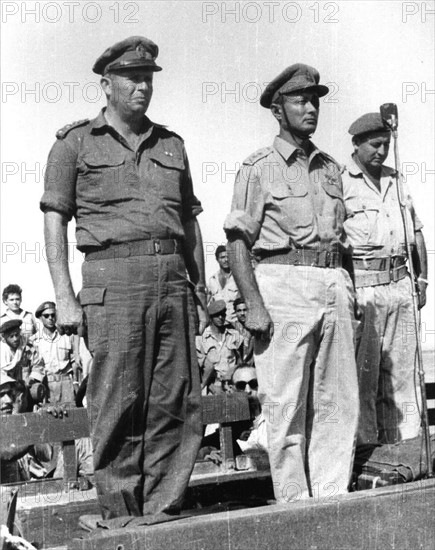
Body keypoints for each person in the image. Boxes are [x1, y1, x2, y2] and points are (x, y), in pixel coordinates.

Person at [41, 36, 206, 520]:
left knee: (175, 400)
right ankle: (120, 515)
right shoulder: (74, 144)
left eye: (148, 78)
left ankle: (161, 512)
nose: (143, 87)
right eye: (132, 78)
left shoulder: (171, 144)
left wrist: (196, 286)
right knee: (117, 400)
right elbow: (55, 218)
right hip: (113, 280)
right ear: (106, 84)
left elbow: (189, 220)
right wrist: (64, 297)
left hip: (173, 278)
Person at [224, 63, 359, 503]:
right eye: (301, 100)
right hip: (282, 283)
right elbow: (239, 240)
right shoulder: (258, 167)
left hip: (332, 282)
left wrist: (349, 292)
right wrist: (254, 304)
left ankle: (331, 500)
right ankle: (295, 507)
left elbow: (344, 242)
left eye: (315, 99)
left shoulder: (330, 168)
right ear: (278, 110)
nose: (311, 107)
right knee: (285, 404)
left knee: (337, 401)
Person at [342, 112, 428, 445]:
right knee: (365, 379)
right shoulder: (340, 181)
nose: (382, 151)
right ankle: (367, 454)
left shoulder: (396, 179)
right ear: (357, 143)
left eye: (387, 145)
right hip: (364, 286)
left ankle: (407, 454)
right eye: (375, 145)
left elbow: (416, 232)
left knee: (403, 375)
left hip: (401, 284)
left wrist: (422, 281)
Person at [31, 301, 78, 404]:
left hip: (66, 382)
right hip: (47, 384)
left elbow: (74, 362)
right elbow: (36, 367)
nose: (50, 318)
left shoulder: (67, 336)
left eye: (53, 315)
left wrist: (76, 383)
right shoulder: (35, 340)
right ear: (40, 317)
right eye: (46, 316)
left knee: (71, 414)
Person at [197, 300, 243, 394]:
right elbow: (200, 369)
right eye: (217, 315)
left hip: (232, 385)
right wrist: (207, 385)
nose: (221, 317)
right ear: (210, 317)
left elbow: (240, 361)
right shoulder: (202, 339)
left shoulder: (234, 335)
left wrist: (233, 371)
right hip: (213, 386)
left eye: (223, 314)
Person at [208, 245, 239, 324]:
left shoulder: (238, 278)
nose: (226, 260)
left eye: (228, 257)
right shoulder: (212, 280)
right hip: (219, 324)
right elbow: (208, 303)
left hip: (235, 323)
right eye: (222, 257)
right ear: (217, 259)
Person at [232, 297, 254, 366]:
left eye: (245, 310)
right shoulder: (231, 328)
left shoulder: (255, 329)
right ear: (235, 312)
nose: (242, 313)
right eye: (239, 310)